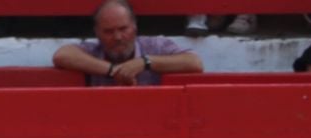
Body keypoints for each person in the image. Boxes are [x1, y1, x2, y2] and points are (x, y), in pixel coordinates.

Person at [54, 0, 202, 84]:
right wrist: (113, 70)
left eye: (123, 29)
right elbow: (62, 55)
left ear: (135, 27)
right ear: (97, 33)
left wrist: (145, 62)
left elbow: (194, 63)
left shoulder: (154, 46)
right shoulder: (93, 50)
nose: (118, 37)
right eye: (108, 31)